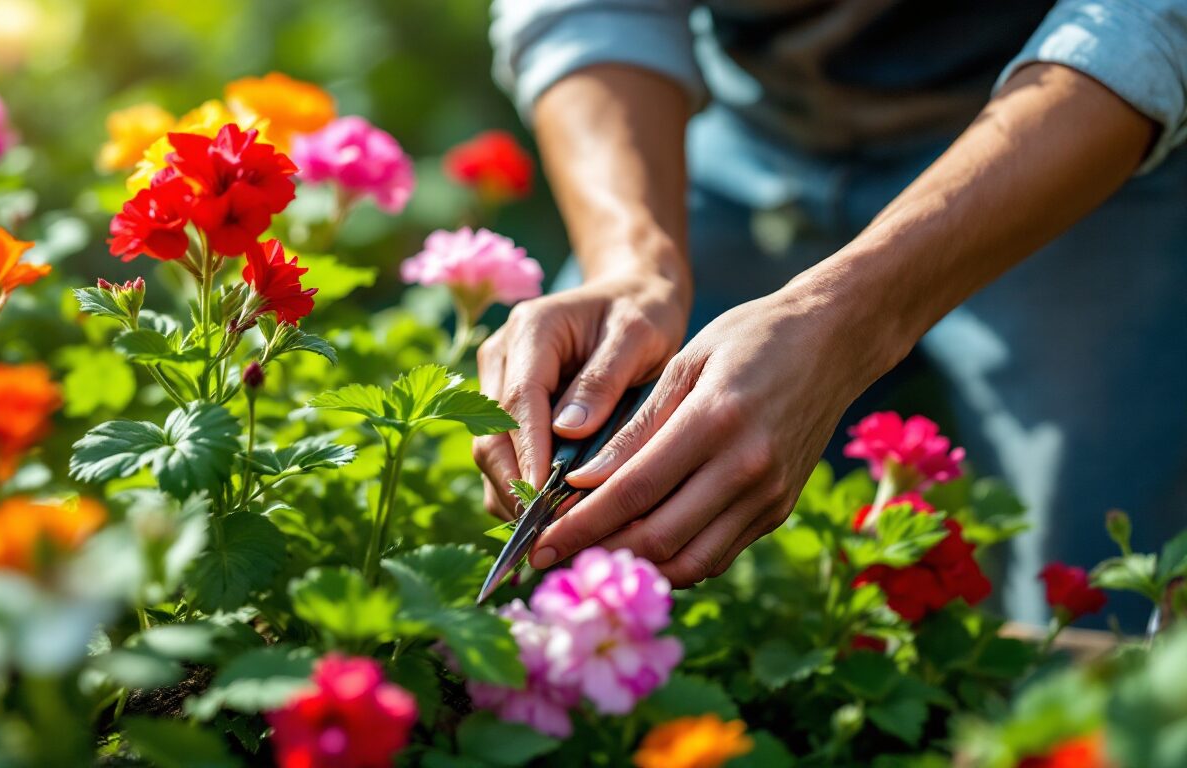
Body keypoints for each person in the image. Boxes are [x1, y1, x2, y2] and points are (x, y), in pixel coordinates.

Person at [472, 0, 1187, 625]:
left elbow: (1146, 21)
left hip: (1082, 133)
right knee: (587, 441)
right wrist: (631, 266)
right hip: (756, 126)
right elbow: (589, 8)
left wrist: (853, 319)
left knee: (1097, 593)